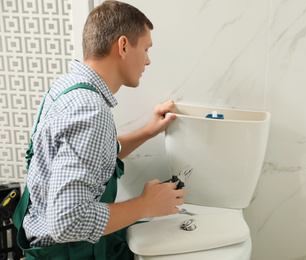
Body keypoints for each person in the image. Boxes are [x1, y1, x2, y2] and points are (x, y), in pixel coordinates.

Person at [13, 1, 185, 259]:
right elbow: (67, 222)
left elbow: (96, 153)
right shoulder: (89, 111)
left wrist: (149, 131)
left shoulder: (68, 87)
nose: (148, 61)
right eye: (146, 49)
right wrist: (145, 205)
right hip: (67, 252)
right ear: (124, 46)